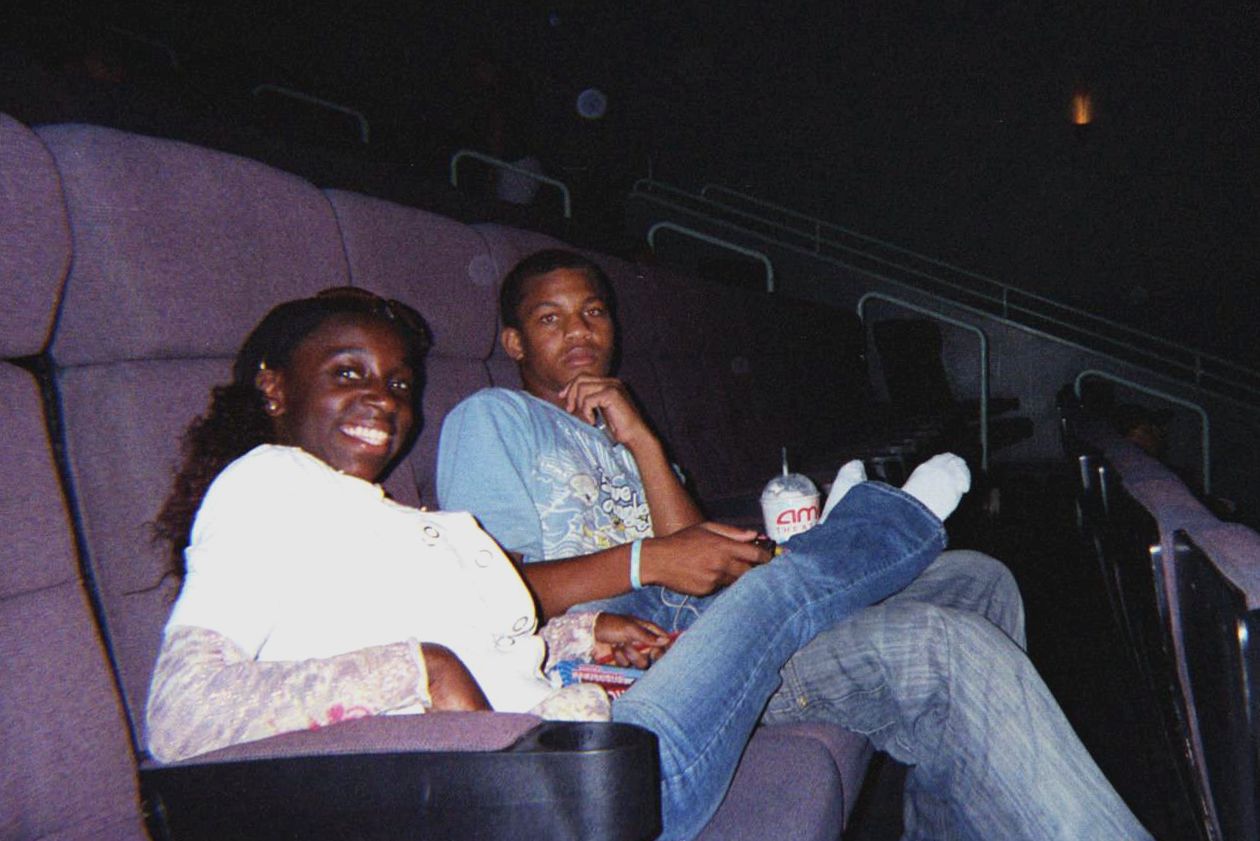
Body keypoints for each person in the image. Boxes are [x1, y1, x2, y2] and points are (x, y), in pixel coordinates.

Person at [144, 287, 969, 841]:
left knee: (801, 594)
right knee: (775, 594)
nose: (384, 401)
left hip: (576, 741)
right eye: (348, 373)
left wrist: (581, 632)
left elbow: (479, 638)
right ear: (274, 388)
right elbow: (182, 715)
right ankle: (883, 522)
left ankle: (863, 528)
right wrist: (422, 670)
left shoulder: (380, 515)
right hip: (562, 794)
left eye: (397, 383)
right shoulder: (263, 485)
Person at [436, 249, 1153, 840]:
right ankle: (867, 531)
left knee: (977, 577)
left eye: (593, 312)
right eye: (551, 318)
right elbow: (490, 596)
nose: (579, 331)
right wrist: (642, 560)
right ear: (514, 342)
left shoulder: (618, 421)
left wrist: (642, 439)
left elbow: (695, 555)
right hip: (657, 667)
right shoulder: (492, 418)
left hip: (708, 619)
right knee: (941, 645)